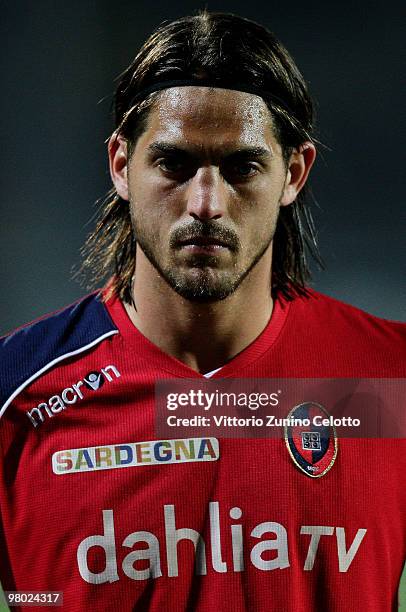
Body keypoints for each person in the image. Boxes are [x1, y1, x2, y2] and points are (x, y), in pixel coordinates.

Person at [0, 11, 404, 612]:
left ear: (293, 173)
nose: (206, 203)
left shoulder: (387, 379)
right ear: (120, 166)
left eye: (242, 167)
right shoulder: (15, 394)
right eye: (174, 163)